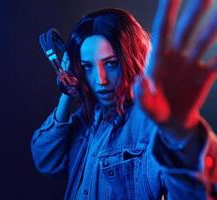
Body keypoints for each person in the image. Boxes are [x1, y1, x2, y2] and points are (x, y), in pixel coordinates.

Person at [31, 1, 217, 199]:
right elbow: (45, 161)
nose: (100, 80)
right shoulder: (87, 118)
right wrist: (67, 92)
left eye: (111, 64)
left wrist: (182, 134)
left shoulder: (150, 126)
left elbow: (194, 193)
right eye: (87, 67)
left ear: (132, 59)